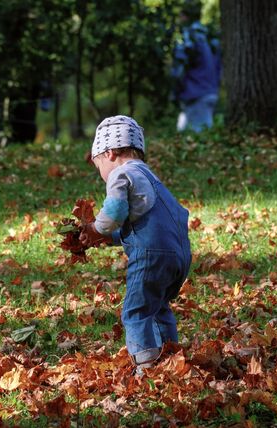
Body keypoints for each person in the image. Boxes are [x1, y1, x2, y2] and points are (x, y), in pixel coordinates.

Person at [80, 115, 191, 374]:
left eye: (98, 168)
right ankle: (170, 356)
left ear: (109, 153)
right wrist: (108, 238)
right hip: (178, 255)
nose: (102, 176)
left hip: (151, 256)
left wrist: (96, 229)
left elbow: (115, 211)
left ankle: (146, 366)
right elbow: (146, 225)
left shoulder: (121, 173)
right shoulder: (148, 176)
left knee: (136, 311)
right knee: (158, 306)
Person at [171, 2, 220, 132]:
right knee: (182, 136)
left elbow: (179, 68)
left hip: (196, 95)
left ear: (186, 17)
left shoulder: (188, 37)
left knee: (199, 139)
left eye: (181, 16)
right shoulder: (208, 35)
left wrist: (175, 92)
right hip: (210, 92)